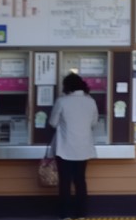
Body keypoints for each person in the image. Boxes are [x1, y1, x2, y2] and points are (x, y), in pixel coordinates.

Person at [49, 72, 98, 220]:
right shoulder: (91, 101)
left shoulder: (62, 101)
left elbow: (52, 123)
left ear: (67, 86)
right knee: (80, 181)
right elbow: (93, 124)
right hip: (83, 147)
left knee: (65, 182)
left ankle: (64, 215)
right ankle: (81, 214)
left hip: (64, 148)